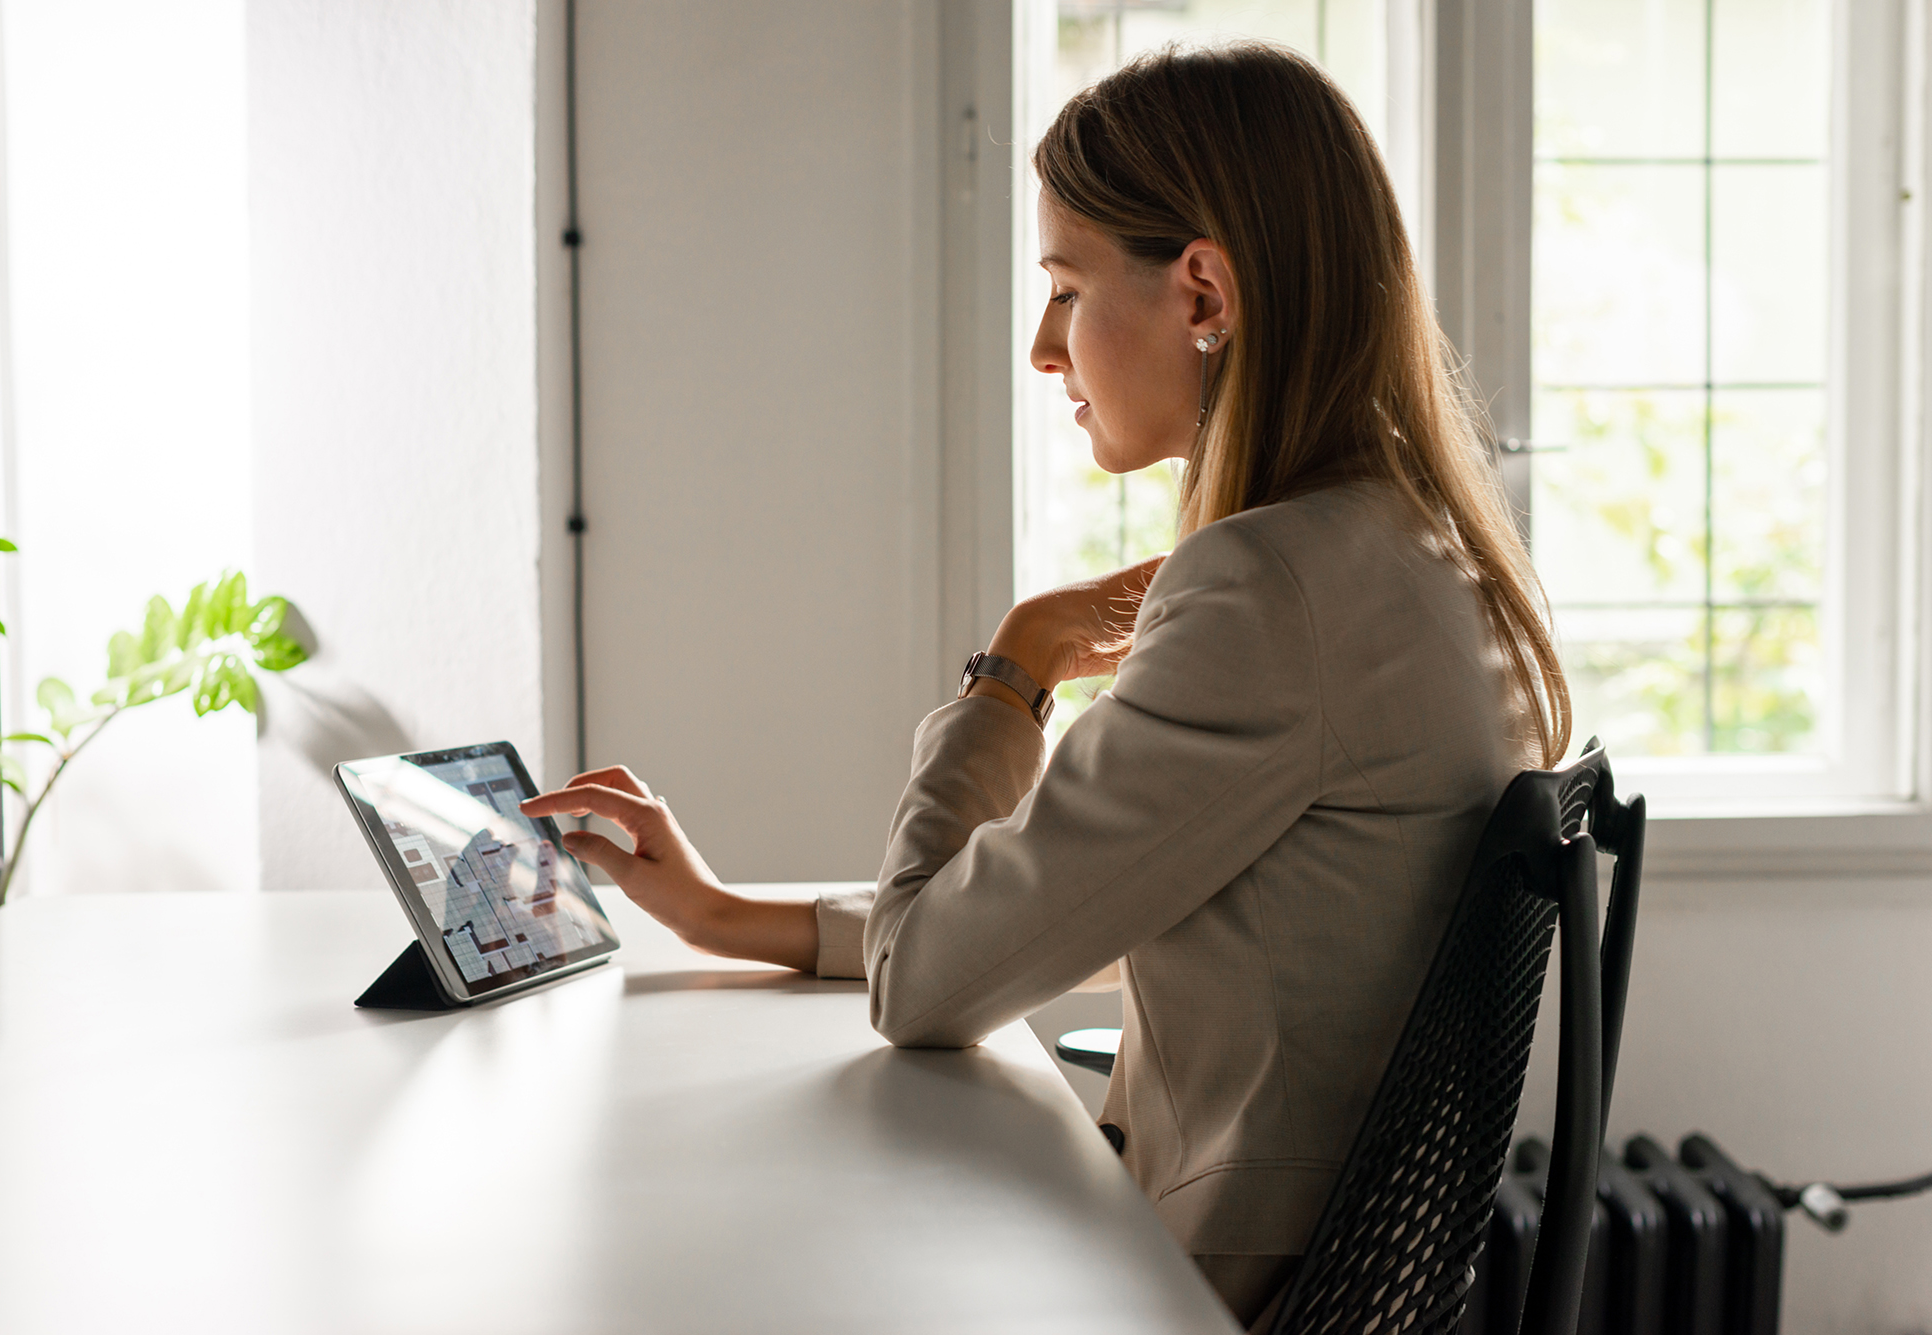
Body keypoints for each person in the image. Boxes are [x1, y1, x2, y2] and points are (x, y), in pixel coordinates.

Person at [520, 40, 1570, 1332]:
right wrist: (740, 920)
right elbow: (1053, 903)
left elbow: (929, 983)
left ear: (1202, 295)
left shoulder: (1268, 592)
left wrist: (1013, 668)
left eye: (1066, 287)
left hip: (1193, 1285)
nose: (1040, 347)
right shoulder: (1418, 554)